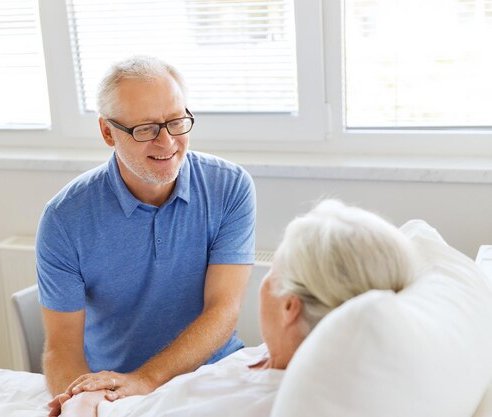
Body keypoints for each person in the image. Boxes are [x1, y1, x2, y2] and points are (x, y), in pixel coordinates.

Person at [35, 55, 256, 416]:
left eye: (176, 122)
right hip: (117, 392)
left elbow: (224, 310)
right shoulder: (65, 218)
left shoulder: (229, 187)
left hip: (213, 378)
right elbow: (62, 348)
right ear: (108, 132)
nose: (167, 142)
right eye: (146, 129)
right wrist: (80, 400)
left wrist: (147, 379)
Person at [57, 199, 421, 417]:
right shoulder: (270, 357)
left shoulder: (251, 403)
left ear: (290, 307)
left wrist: (84, 400)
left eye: (273, 270)